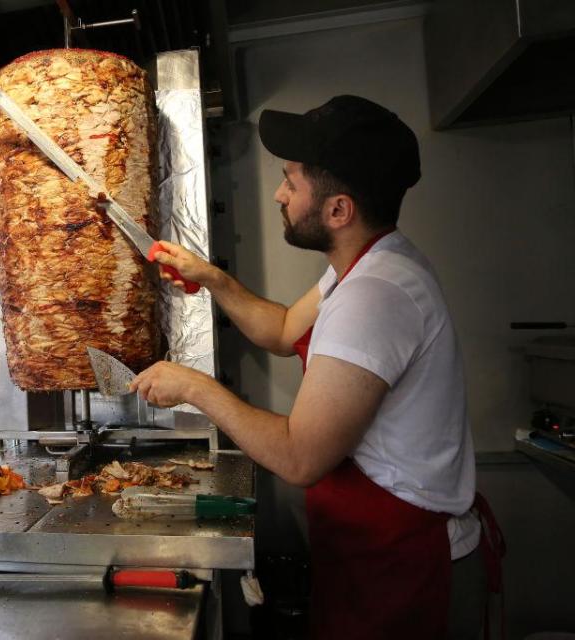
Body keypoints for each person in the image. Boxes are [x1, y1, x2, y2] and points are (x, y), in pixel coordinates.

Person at [131, 96, 495, 639]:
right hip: (369, 554)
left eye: (291, 182)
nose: (279, 193)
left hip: (406, 570)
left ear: (339, 210)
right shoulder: (369, 261)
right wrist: (210, 277)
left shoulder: (374, 296)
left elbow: (301, 458)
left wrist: (193, 386)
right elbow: (282, 331)